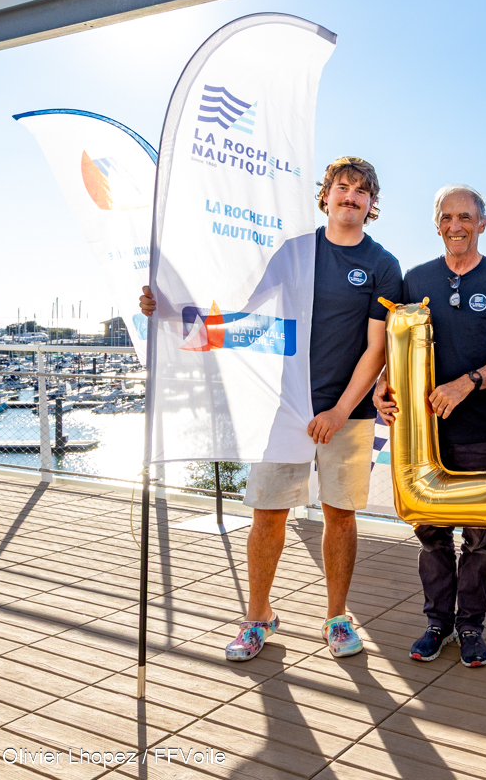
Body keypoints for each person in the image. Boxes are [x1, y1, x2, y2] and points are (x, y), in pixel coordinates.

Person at [140, 156, 402, 662]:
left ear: (371, 204)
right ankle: (257, 618)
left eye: (361, 191)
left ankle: (337, 617)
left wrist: (340, 411)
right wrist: (167, 305)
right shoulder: (295, 252)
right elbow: (236, 302)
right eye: (341, 186)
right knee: (268, 515)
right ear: (324, 194)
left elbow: (377, 350)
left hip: (346, 415)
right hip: (285, 408)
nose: (350, 196)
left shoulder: (382, 264)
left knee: (340, 517)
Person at [373, 184, 486, 668]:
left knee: (479, 537)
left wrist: (467, 383)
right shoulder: (414, 278)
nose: (455, 226)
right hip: (422, 432)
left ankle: (472, 627)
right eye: (446, 217)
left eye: (465, 217)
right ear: (435, 223)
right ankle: (437, 622)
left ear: (482, 223)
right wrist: (382, 384)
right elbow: (397, 347)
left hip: (481, 425)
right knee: (430, 532)